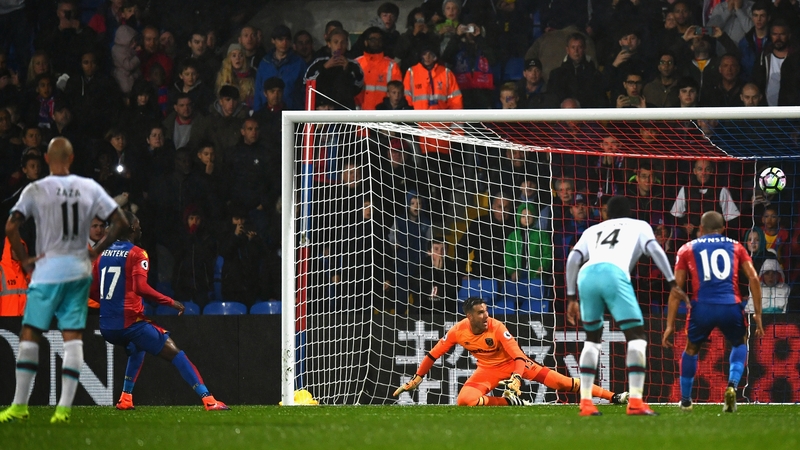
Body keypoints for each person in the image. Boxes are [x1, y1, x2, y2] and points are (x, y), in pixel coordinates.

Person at [0, 137, 128, 424]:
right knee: (72, 338)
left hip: (48, 271)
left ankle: (20, 406)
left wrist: (23, 259)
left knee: (30, 333)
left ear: (46, 159)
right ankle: (64, 409)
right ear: (71, 159)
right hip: (78, 271)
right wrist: (95, 251)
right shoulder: (89, 187)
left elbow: (11, 226)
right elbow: (120, 221)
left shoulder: (36, 189)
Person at [91, 211, 229, 411]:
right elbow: (141, 288)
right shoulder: (138, 253)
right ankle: (209, 400)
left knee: (138, 348)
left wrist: (111, 304)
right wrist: (170, 302)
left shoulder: (102, 253)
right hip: (129, 323)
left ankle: (125, 398)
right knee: (175, 352)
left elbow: (93, 290)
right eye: (138, 225)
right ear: (131, 228)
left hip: (106, 326)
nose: (140, 229)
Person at [566, 195, 687, 416]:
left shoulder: (592, 230)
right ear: (629, 212)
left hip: (586, 275)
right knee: (637, 337)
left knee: (592, 339)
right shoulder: (640, 226)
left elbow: (573, 258)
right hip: (613, 273)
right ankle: (636, 402)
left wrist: (571, 297)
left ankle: (585, 403)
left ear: (606, 214)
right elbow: (656, 250)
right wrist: (672, 282)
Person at [393, 296, 629, 406]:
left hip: (516, 365)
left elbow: (518, 355)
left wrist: (517, 376)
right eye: (480, 313)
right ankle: (513, 403)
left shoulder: (497, 327)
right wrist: (418, 378)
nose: (486, 315)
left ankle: (613, 397)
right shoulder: (457, 331)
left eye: (486, 311)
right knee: (464, 400)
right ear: (469, 316)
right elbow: (433, 354)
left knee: (562, 383)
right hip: (487, 370)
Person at [662, 211, 764, 413]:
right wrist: (758, 314)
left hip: (703, 307)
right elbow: (753, 278)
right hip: (730, 305)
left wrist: (669, 325)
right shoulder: (736, 246)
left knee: (691, 348)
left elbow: (676, 290)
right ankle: (732, 386)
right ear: (723, 228)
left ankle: (685, 400)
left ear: (700, 229)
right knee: (739, 341)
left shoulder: (687, 248)